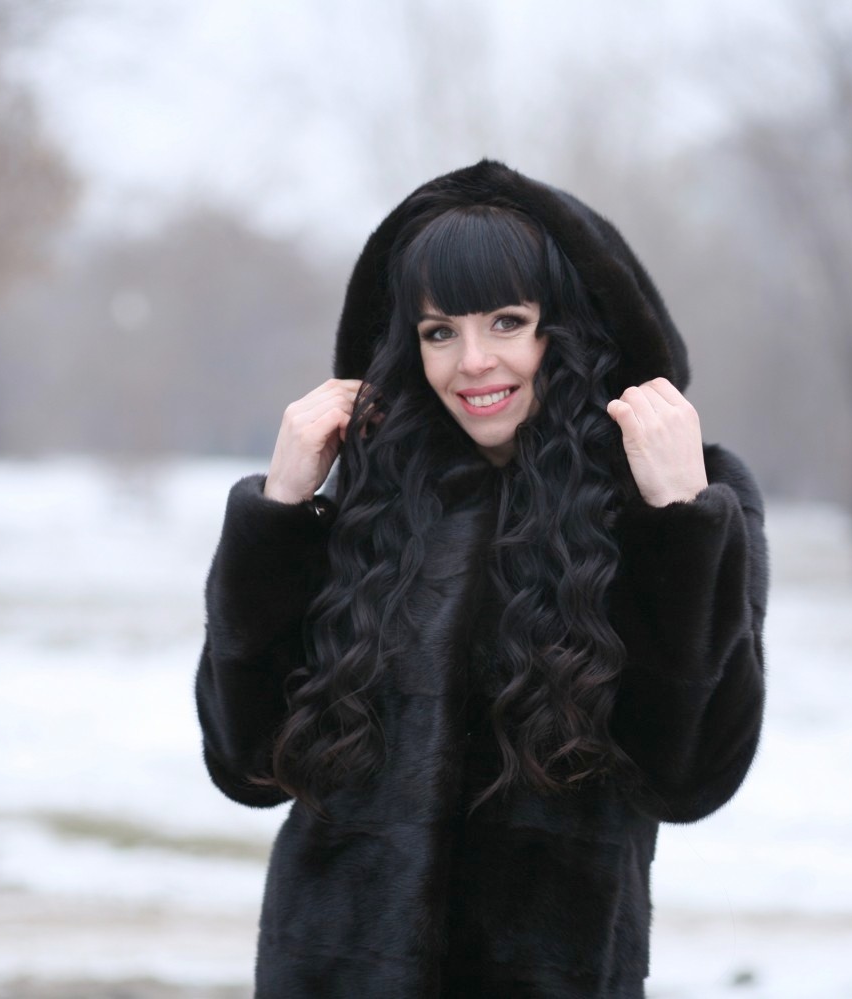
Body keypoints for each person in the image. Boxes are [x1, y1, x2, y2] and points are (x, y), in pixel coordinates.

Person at [194, 159, 768, 998]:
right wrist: (278, 510)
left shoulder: (675, 506)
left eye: (507, 322)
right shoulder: (369, 496)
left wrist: (679, 522)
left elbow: (690, 777)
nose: (472, 361)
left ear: (566, 328)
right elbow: (242, 761)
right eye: (439, 331)